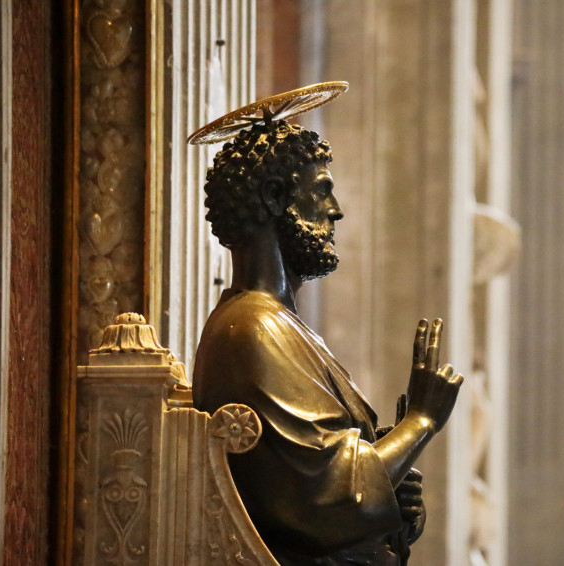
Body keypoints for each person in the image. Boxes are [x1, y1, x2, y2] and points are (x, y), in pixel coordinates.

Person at [192, 117, 464, 566]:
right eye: (321, 190)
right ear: (275, 197)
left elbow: (327, 477)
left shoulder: (284, 328)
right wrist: (421, 422)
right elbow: (327, 502)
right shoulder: (253, 329)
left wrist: (395, 490)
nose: (335, 210)